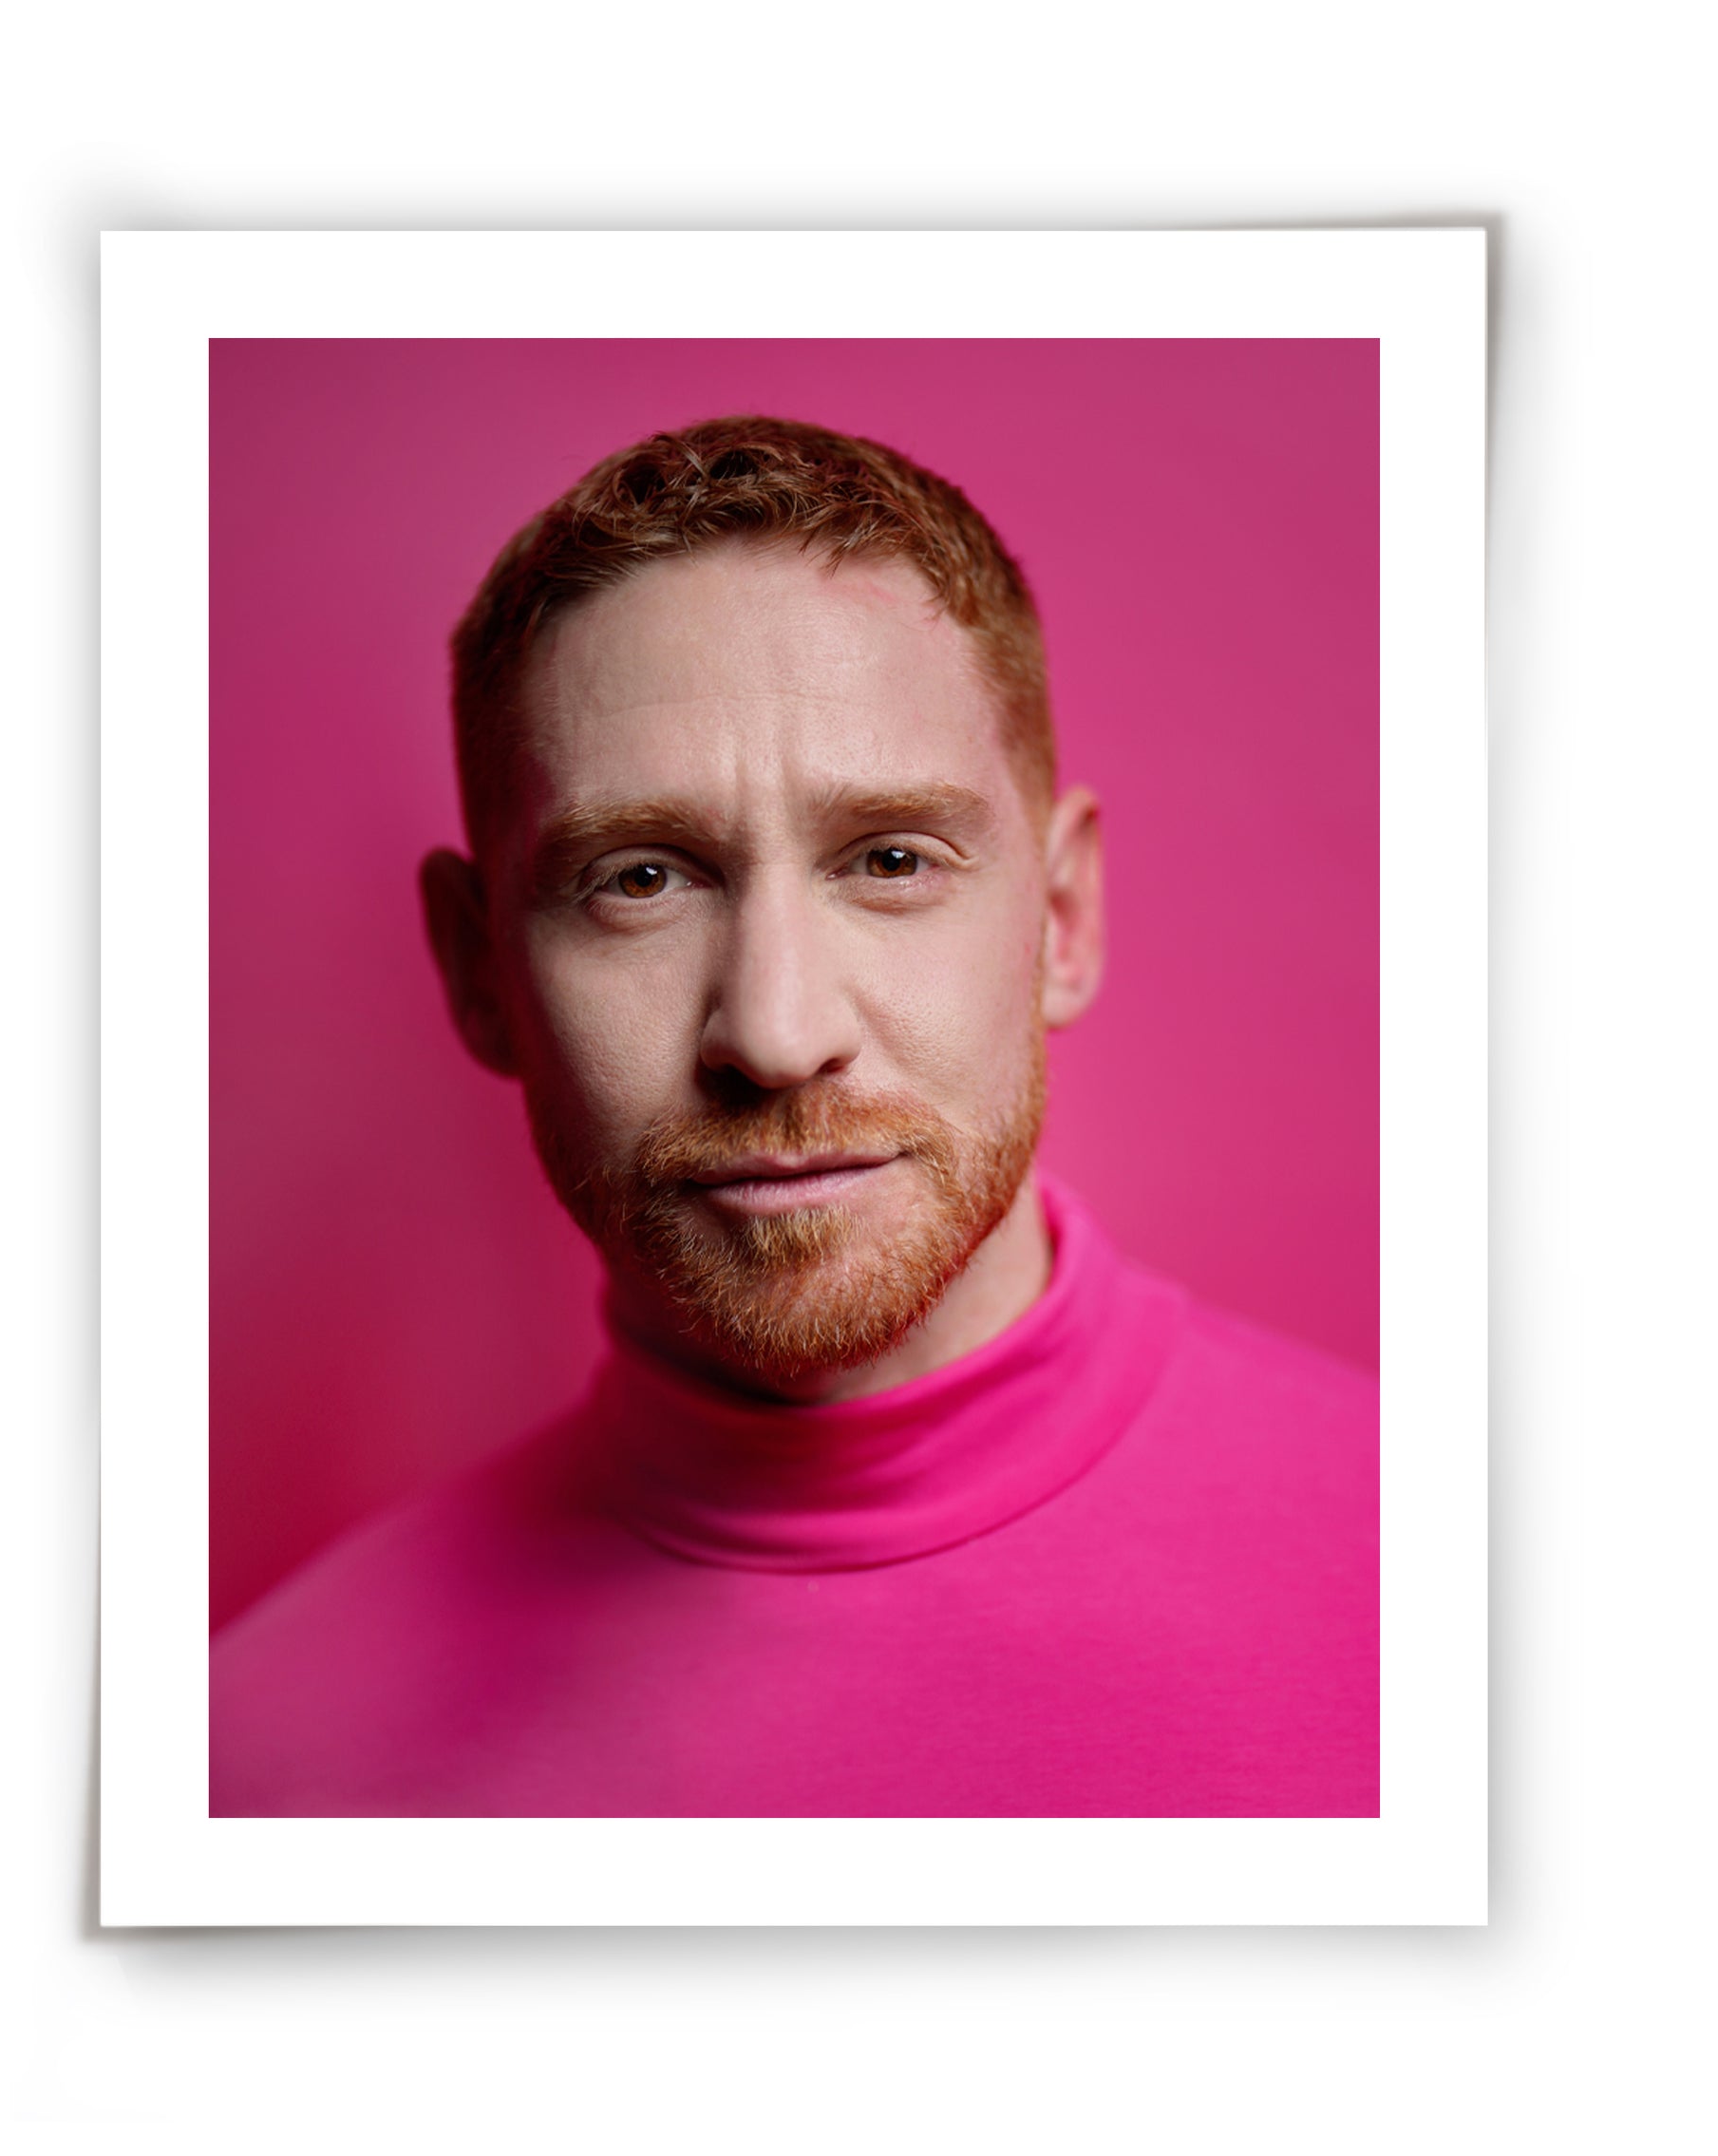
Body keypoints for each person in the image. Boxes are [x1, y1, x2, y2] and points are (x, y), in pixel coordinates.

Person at [210, 415, 1378, 1818]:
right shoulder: (257, 1762)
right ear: (479, 973)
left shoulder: (1477, 1599)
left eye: (890, 860)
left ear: (1061, 919)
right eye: (639, 879)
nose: (773, 1036)